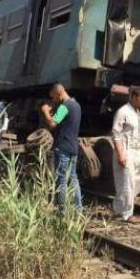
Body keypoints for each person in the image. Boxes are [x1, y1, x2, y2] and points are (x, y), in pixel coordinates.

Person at [111, 87, 140, 223]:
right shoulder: (123, 112)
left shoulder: (139, 114)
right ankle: (126, 214)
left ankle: (121, 201)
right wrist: (120, 154)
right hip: (125, 149)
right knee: (127, 183)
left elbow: (139, 134)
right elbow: (116, 134)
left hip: (137, 150)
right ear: (133, 97)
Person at [40, 83, 82, 212]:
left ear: (59, 94)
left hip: (62, 147)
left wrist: (45, 112)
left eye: (53, 97)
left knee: (62, 179)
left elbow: (52, 124)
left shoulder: (65, 106)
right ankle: (78, 208)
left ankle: (63, 211)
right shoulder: (76, 105)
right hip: (73, 146)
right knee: (73, 178)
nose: (53, 100)